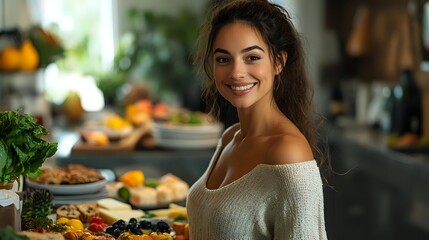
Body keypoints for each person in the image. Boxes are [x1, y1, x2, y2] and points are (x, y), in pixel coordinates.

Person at [186, 0, 329, 239]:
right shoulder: (230, 136)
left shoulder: (288, 152)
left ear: (279, 62)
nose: (236, 72)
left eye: (252, 57)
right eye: (223, 59)